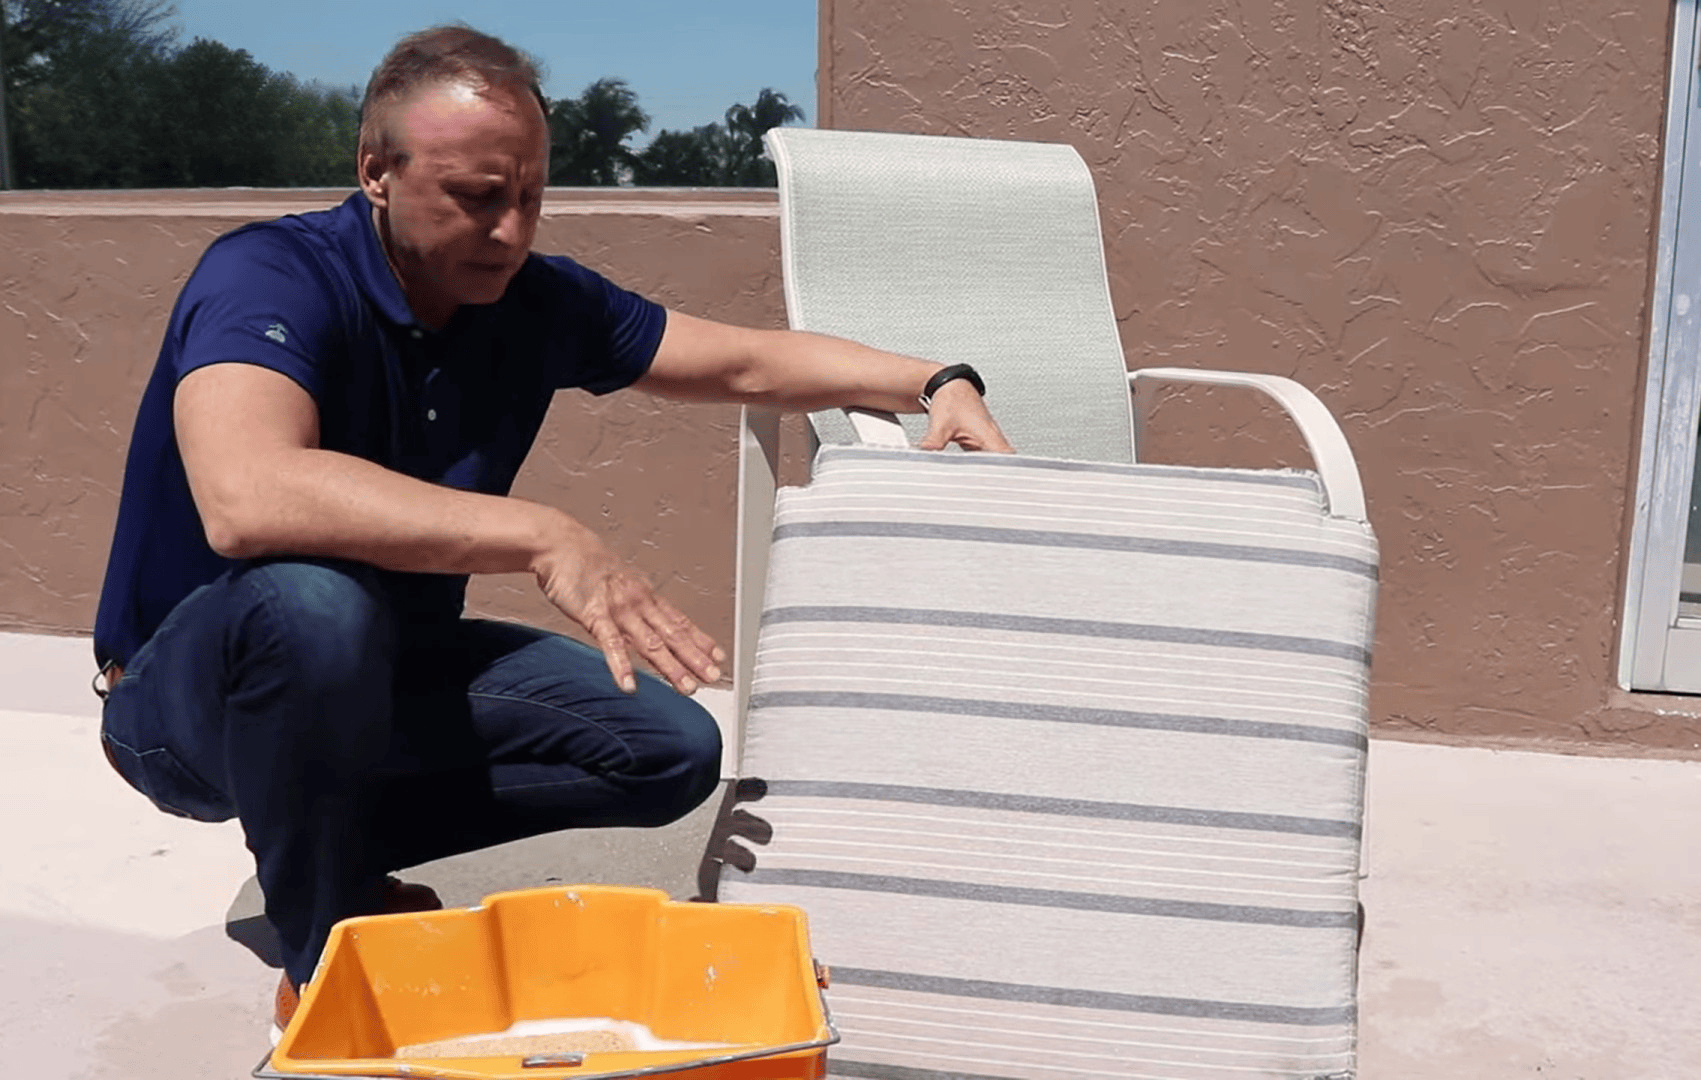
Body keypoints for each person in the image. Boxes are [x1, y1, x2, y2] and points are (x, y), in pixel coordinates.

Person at [90, 24, 1012, 1035]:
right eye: (478, 197)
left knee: (666, 749)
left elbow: (741, 363)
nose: (510, 229)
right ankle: (329, 959)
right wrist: (540, 534)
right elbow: (247, 495)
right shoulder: (273, 275)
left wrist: (935, 378)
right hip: (186, 708)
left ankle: (323, 836)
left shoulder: (529, 301)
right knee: (314, 606)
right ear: (375, 174)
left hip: (389, 666)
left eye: (530, 196)